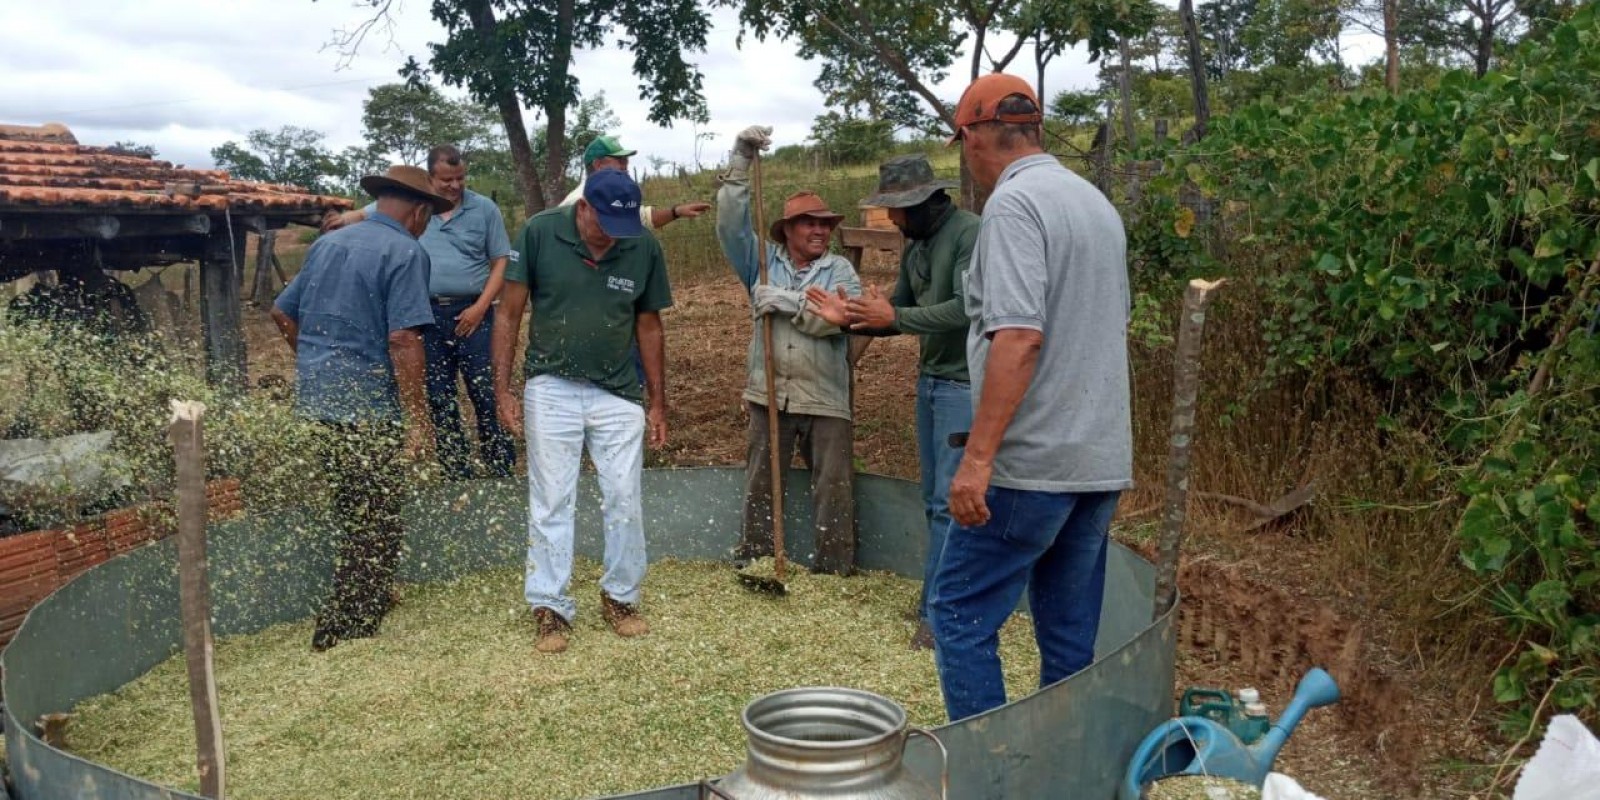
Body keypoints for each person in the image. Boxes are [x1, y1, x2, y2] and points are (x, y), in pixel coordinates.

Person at [928, 74, 1133, 721]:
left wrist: (979, 459)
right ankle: (1059, 772)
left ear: (974, 136)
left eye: (963, 143)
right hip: (1097, 461)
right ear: (1033, 128)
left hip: (1032, 466)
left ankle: (992, 776)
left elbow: (1018, 338)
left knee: (957, 611)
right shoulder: (1094, 204)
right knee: (1068, 638)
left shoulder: (1014, 207)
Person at [491, 168, 671, 654]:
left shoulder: (642, 245)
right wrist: (502, 389)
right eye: (603, 225)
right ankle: (549, 606)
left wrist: (657, 402)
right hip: (551, 385)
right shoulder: (540, 232)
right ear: (583, 207)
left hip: (618, 390)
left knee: (624, 496)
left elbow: (649, 325)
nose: (612, 236)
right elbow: (508, 313)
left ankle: (620, 597)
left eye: (621, 228)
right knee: (552, 499)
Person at [270, 165, 449, 652]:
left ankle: (368, 598)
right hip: (369, 408)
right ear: (418, 212)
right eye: (429, 218)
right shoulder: (405, 251)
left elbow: (283, 312)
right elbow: (403, 339)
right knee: (378, 515)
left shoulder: (326, 245)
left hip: (317, 403)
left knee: (352, 506)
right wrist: (417, 419)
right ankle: (346, 627)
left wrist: (313, 363)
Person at [806, 153, 979, 650]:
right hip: (930, 380)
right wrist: (852, 317)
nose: (894, 220)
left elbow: (969, 308)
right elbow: (897, 309)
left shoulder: (970, 234)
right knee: (932, 501)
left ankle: (943, 615)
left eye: (900, 211)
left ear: (927, 202)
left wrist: (893, 319)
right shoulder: (917, 245)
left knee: (950, 505)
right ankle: (935, 599)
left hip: (964, 384)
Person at [716, 125, 862, 576]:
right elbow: (729, 224)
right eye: (810, 224)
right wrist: (740, 161)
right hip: (769, 392)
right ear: (789, 231)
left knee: (833, 485)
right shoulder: (761, 262)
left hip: (825, 394)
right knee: (761, 483)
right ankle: (757, 562)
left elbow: (844, 319)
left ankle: (834, 571)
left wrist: (792, 302)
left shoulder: (839, 268)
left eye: (825, 224)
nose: (820, 231)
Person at [323, 145, 515, 480]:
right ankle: (457, 471)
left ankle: (500, 465)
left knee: (484, 389)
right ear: (430, 178)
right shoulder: (415, 205)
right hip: (424, 315)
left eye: (460, 178)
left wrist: (480, 306)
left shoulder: (484, 209)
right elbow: (374, 212)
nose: (455, 185)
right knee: (439, 394)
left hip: (473, 312)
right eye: (446, 180)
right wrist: (347, 218)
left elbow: (500, 260)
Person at [560, 134, 711, 230]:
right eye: (620, 160)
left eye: (626, 160)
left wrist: (676, 211)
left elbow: (645, 218)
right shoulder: (579, 202)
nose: (625, 166)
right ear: (598, 165)